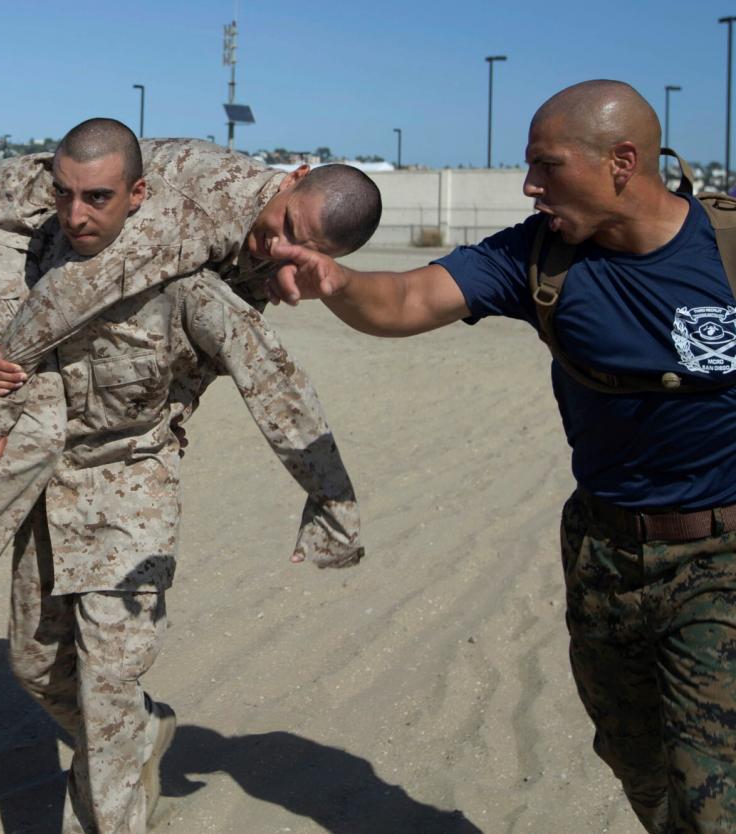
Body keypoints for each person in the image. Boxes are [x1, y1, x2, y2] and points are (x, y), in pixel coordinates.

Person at [264, 80, 736, 834]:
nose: (530, 186)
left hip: (723, 554)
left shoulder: (725, 250)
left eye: (547, 167)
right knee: (634, 759)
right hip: (603, 551)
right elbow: (409, 300)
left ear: (621, 161)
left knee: (715, 792)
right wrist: (338, 284)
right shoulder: (537, 255)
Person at [0, 120, 378, 829]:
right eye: (287, 227)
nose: (280, 248)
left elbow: (273, 379)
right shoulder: (155, 219)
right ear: (292, 175)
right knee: (37, 667)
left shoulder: (218, 278)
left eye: (304, 250)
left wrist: (331, 496)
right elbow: (41, 311)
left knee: (108, 686)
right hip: (50, 473)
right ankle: (138, 734)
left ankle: (112, 787)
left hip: (131, 485)